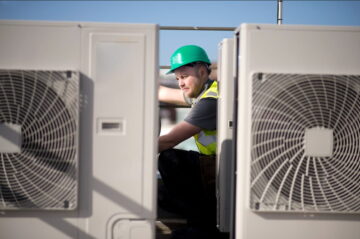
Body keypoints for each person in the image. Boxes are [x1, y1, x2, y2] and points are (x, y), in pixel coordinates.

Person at [158, 45, 220, 239]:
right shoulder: (203, 91)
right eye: (177, 79)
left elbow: (169, 140)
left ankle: (202, 228)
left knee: (169, 159)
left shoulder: (210, 101)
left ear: (202, 72)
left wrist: (128, 152)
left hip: (220, 172)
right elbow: (163, 93)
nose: (180, 84)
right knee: (163, 197)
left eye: (184, 77)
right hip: (214, 166)